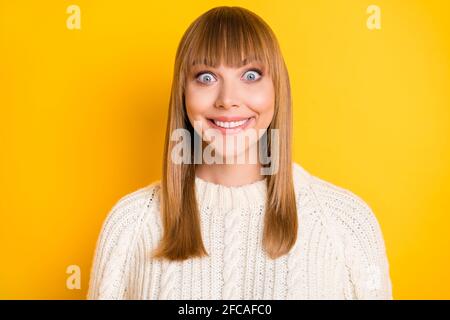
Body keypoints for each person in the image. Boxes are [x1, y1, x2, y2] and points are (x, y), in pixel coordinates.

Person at [87, 6, 393, 300]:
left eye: (250, 75)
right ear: (183, 93)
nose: (227, 100)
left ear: (278, 89)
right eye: (206, 77)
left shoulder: (347, 222)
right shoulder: (130, 224)